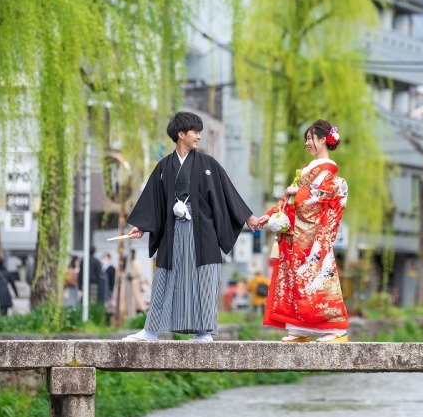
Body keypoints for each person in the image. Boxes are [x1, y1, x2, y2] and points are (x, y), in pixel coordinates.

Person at [123, 111, 261, 342]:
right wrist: (141, 226)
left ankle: (204, 332)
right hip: (172, 232)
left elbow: (227, 192)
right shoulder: (164, 167)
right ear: (181, 134)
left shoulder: (208, 164)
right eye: (195, 132)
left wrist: (249, 218)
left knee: (204, 278)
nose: (199, 136)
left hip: (202, 233)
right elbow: (153, 200)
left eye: (199, 132)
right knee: (165, 278)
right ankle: (150, 331)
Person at [257, 119, 349, 343]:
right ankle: (298, 328)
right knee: (293, 281)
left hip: (312, 238)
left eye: (311, 138)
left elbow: (320, 196)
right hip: (294, 234)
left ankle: (335, 330)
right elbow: (288, 199)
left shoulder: (327, 169)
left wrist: (298, 191)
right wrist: (269, 215)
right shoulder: (310, 169)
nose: (307, 143)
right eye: (306, 139)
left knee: (316, 281)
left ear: (322, 140)